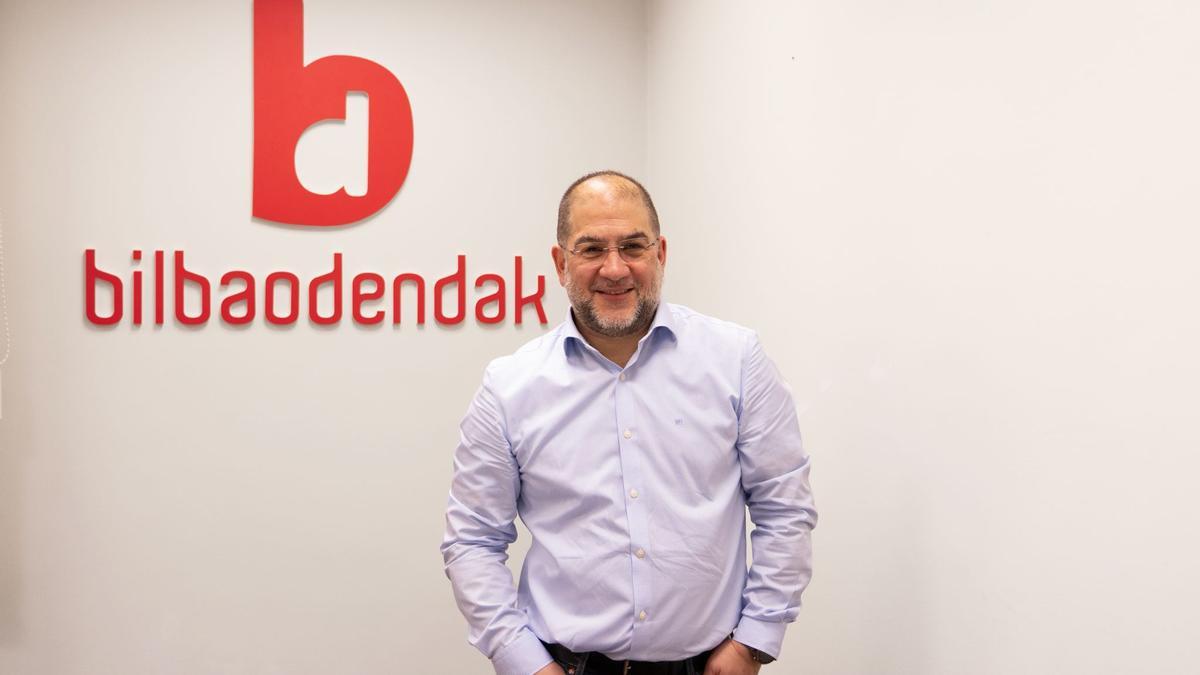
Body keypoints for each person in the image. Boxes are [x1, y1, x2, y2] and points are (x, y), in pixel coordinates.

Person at [442, 171, 817, 675]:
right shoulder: (509, 387)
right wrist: (522, 661)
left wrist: (753, 642)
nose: (615, 268)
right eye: (592, 249)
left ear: (660, 253)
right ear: (560, 263)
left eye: (633, 247)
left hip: (708, 666)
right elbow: (472, 541)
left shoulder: (736, 360)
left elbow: (784, 508)